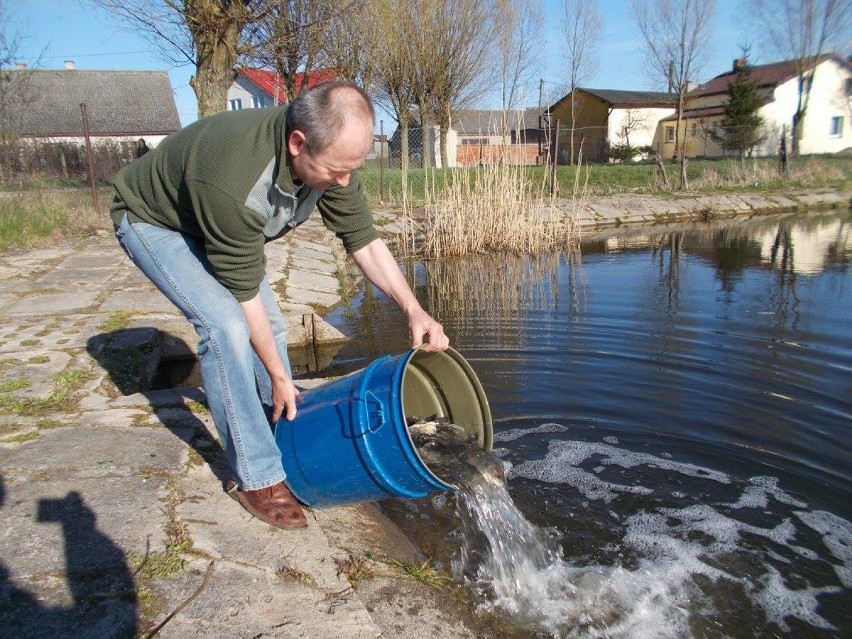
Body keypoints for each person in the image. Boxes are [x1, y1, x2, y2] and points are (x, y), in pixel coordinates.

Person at [110, 80, 448, 530]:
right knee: (226, 329)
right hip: (156, 222)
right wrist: (277, 375)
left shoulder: (332, 156)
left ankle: (282, 423)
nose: (344, 181)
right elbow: (243, 297)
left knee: (273, 329)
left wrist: (413, 308)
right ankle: (256, 474)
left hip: (214, 221)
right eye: (335, 170)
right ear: (297, 143)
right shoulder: (237, 180)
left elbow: (363, 239)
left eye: (353, 168)